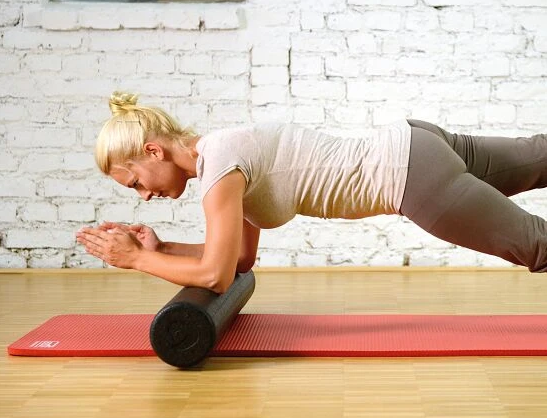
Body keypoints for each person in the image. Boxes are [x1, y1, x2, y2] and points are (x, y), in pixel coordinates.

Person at [77, 91, 547, 293]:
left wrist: (135, 260)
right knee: (539, 156)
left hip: (411, 176)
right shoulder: (224, 155)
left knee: (537, 245)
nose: (143, 196)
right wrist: (162, 249)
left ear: (153, 151)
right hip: (415, 143)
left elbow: (215, 277)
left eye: (135, 182)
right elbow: (238, 258)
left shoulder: (220, 170)